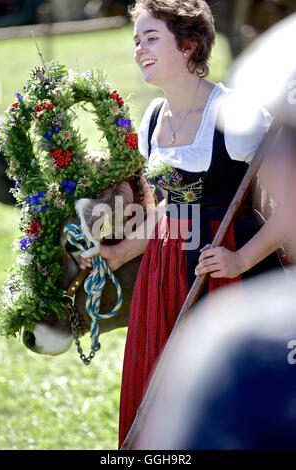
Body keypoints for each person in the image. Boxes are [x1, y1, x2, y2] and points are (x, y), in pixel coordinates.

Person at [80, 0, 285, 448]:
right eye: (137, 40)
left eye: (151, 38)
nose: (139, 49)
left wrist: (240, 259)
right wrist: (119, 252)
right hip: (164, 278)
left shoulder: (238, 115)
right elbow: (167, 212)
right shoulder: (153, 118)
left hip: (224, 275)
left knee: (224, 396)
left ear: (189, 45)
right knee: (166, 396)